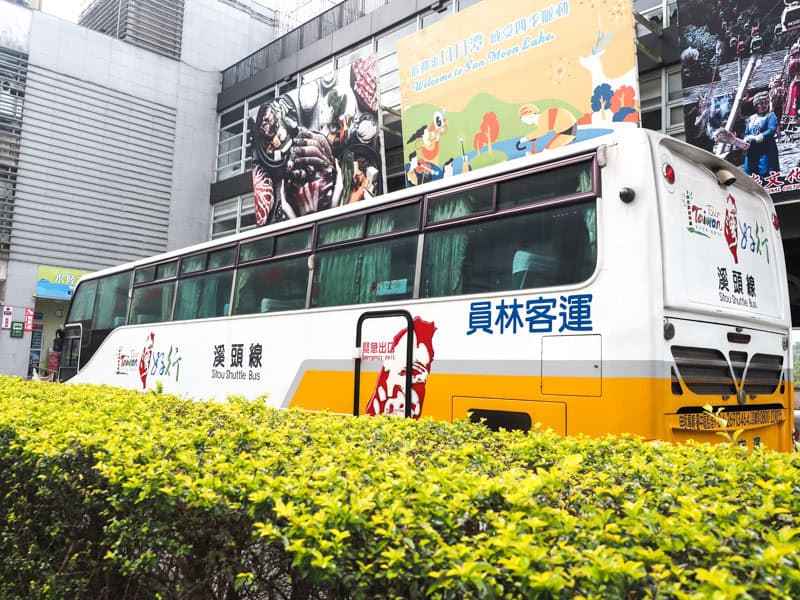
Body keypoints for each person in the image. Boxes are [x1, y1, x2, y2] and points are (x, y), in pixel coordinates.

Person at [741, 91, 779, 178]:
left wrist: (759, 137)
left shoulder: (770, 116)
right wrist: (746, 139)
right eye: (761, 103)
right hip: (752, 149)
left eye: (766, 102)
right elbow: (747, 132)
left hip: (766, 149)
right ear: (756, 105)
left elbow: (771, 130)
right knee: (751, 172)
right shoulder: (751, 119)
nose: (764, 105)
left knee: (766, 170)